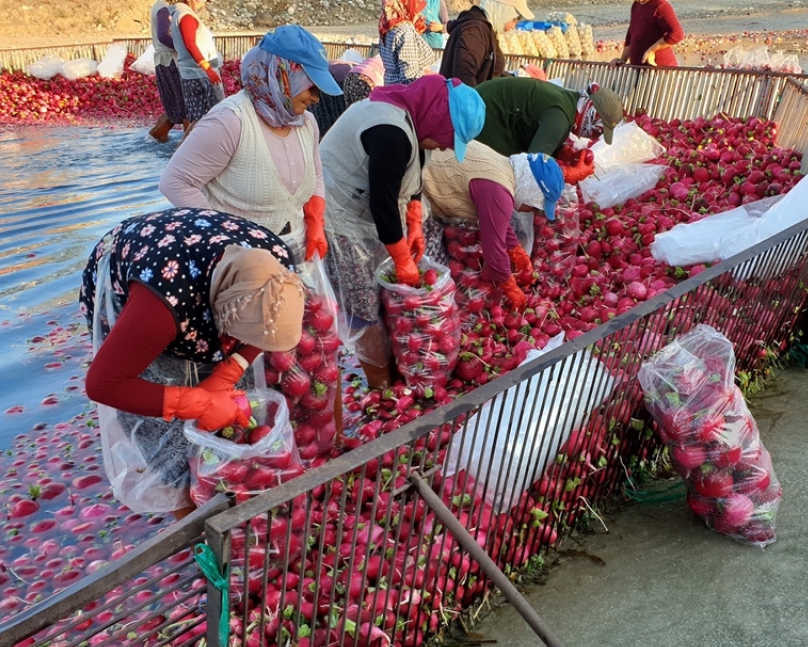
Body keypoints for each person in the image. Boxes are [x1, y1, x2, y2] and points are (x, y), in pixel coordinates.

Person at [80, 209, 305, 518]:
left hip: (197, 280)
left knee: (228, 423)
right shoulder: (159, 306)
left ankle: (230, 506)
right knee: (169, 436)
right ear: (219, 316)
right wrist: (192, 403)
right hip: (152, 277)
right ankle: (191, 523)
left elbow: (263, 331)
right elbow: (102, 384)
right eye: (231, 337)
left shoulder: (279, 269)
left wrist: (232, 368)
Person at [318, 75, 485, 389]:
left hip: (367, 214)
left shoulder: (417, 122)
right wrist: (403, 261)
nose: (449, 146)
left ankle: (399, 368)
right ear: (439, 118)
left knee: (383, 295)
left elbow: (411, 181)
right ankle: (380, 382)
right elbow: (383, 203)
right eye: (451, 137)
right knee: (363, 303)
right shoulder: (390, 131)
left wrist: (414, 222)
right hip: (340, 216)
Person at [159, 24, 342, 260]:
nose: (316, 98)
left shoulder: (305, 123)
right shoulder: (231, 122)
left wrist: (314, 221)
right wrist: (223, 241)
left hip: (294, 250)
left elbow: (316, 174)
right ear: (282, 75)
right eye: (312, 87)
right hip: (240, 261)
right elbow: (175, 182)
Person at [422, 141, 563, 309]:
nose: (531, 210)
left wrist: (515, 248)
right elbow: (493, 251)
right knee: (428, 273)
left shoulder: (505, 168)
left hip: (423, 164)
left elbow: (496, 219)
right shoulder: (498, 191)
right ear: (529, 190)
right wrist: (509, 286)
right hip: (416, 184)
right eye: (535, 204)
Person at [474, 76, 624, 182]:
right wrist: (567, 174)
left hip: (481, 108)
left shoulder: (566, 100)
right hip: (480, 121)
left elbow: (533, 127)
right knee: (501, 181)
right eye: (597, 131)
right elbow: (530, 168)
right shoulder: (560, 117)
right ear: (591, 111)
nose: (592, 137)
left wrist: (561, 151)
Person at [439, 0, 531, 87]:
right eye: (514, 20)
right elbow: (464, 76)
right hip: (464, 101)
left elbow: (490, 71)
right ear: (504, 11)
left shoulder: (486, 30)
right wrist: (475, 102)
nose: (513, 27)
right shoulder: (476, 30)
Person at [170, 0, 223, 133]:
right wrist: (208, 69)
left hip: (191, 73)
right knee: (214, 117)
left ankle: (183, 150)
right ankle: (187, 150)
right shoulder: (186, 16)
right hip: (200, 75)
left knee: (198, 120)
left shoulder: (178, 13)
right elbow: (190, 44)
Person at [148, 0, 186, 142]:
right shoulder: (164, 9)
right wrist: (182, 47)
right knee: (185, 108)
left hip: (164, 61)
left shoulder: (160, 5)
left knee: (175, 106)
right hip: (170, 61)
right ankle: (186, 145)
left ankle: (157, 136)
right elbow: (163, 35)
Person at [610, 0, 683, 67]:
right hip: (640, 70)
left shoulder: (660, 6)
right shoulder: (636, 5)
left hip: (661, 70)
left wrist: (652, 50)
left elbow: (677, 33)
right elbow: (631, 33)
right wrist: (622, 59)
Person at [380, 0, 437, 86]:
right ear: (406, 8)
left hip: (390, 88)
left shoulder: (386, 29)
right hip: (404, 93)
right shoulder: (405, 33)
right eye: (415, 9)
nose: (419, 14)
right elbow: (409, 76)